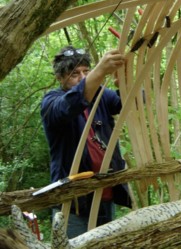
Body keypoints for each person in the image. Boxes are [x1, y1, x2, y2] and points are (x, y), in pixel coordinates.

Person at [41, 46, 132, 238]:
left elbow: (131, 102)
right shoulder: (51, 101)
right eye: (74, 74)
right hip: (72, 201)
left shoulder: (101, 96)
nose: (82, 77)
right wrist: (100, 71)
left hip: (104, 195)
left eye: (86, 71)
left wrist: (125, 83)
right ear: (60, 78)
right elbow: (69, 105)